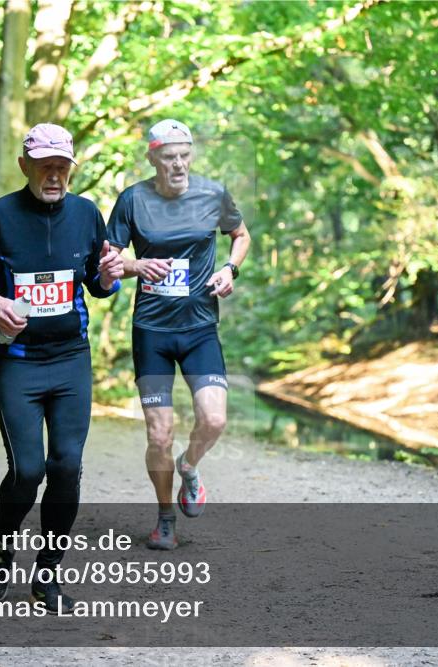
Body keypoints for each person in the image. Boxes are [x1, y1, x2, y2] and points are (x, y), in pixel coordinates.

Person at [0, 123, 124, 614]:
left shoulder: (86, 214)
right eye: (45, 166)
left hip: (70, 360)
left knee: (66, 468)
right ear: (24, 165)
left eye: (62, 167)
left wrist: (110, 278)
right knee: (27, 471)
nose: (54, 175)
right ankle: (1, 550)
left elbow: (97, 283)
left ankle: (47, 577)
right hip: (17, 363)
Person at [107, 119, 251, 550]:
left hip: (199, 329)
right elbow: (108, 260)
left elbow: (240, 235)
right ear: (152, 158)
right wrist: (136, 266)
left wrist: (230, 269)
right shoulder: (132, 200)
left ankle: (189, 466)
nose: (178, 164)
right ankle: (165, 517)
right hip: (152, 332)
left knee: (214, 419)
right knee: (158, 435)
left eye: (185, 155)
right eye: (169, 157)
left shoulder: (213, 194)